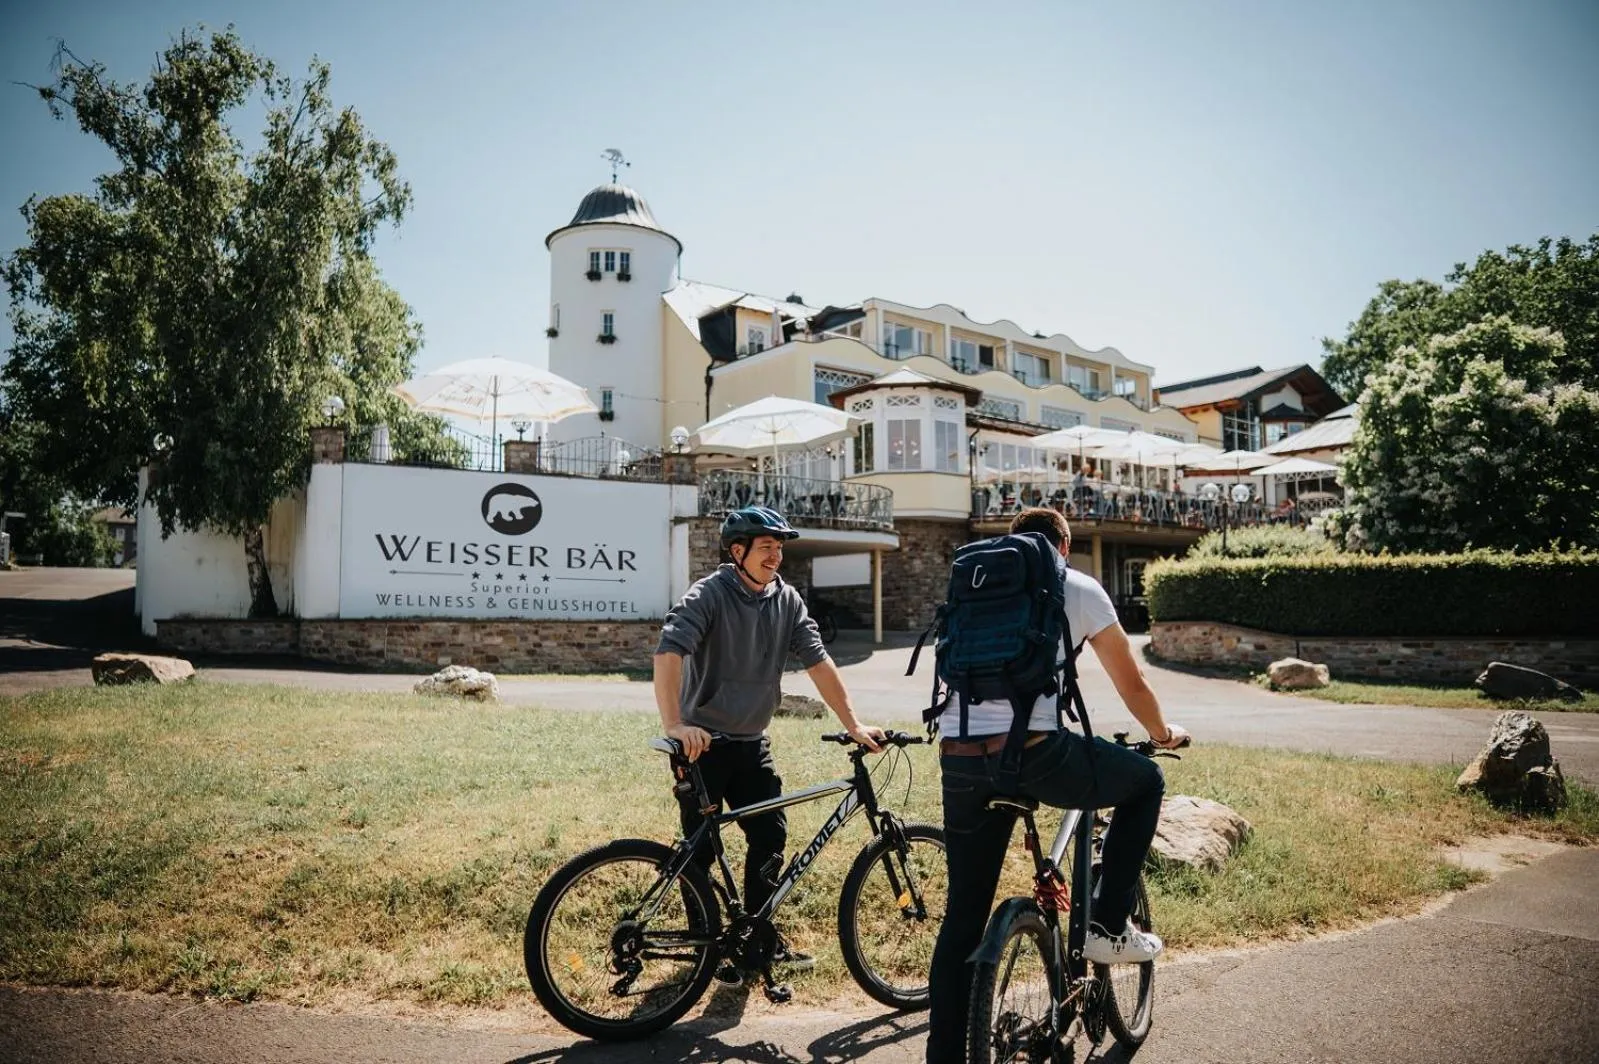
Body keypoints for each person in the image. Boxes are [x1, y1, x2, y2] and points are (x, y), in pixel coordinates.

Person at [926, 506, 1191, 1062]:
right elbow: (1132, 681)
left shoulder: (974, 588)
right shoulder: (1076, 585)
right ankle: (1110, 926)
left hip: (960, 759)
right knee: (1145, 783)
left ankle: (944, 1056)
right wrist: (1162, 732)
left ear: (1012, 544)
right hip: (1036, 753)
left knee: (963, 916)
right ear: (1063, 545)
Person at [653, 505, 884, 981]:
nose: (775, 556)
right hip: (703, 746)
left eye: (779, 548)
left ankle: (754, 940)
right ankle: (702, 953)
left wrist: (854, 723)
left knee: (770, 836)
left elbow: (819, 663)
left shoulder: (787, 600)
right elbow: (669, 651)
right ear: (737, 552)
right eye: (766, 548)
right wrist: (675, 724)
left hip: (751, 743)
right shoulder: (709, 595)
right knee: (698, 852)